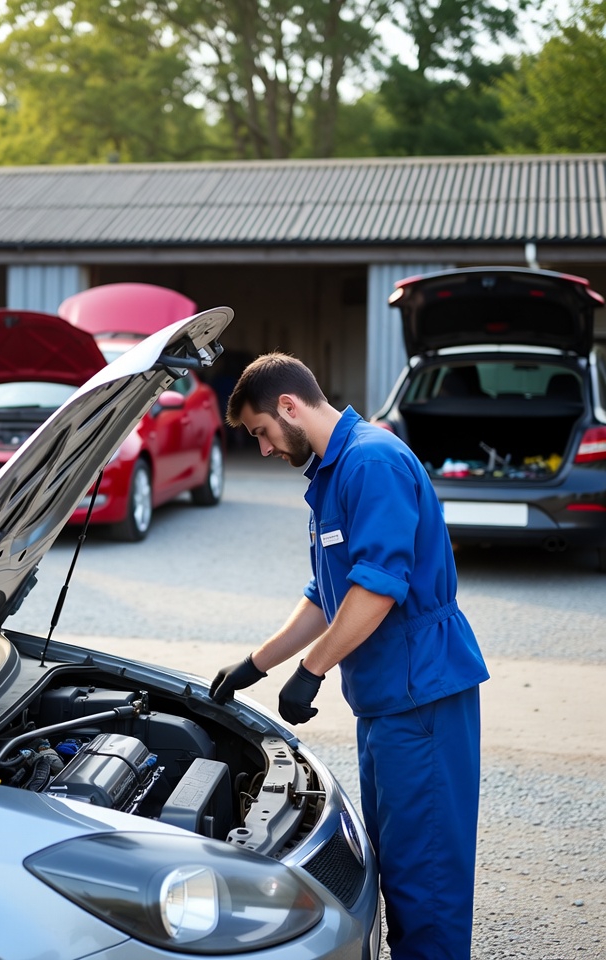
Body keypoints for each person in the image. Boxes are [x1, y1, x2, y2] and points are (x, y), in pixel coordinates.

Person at [210, 352, 489, 960]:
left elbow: (378, 588)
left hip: (423, 697)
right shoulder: (334, 474)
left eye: (260, 431)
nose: (262, 449)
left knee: (427, 880)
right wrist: (256, 664)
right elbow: (325, 594)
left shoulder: (372, 461)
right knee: (394, 866)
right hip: (387, 700)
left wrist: (311, 670)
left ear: (289, 406)